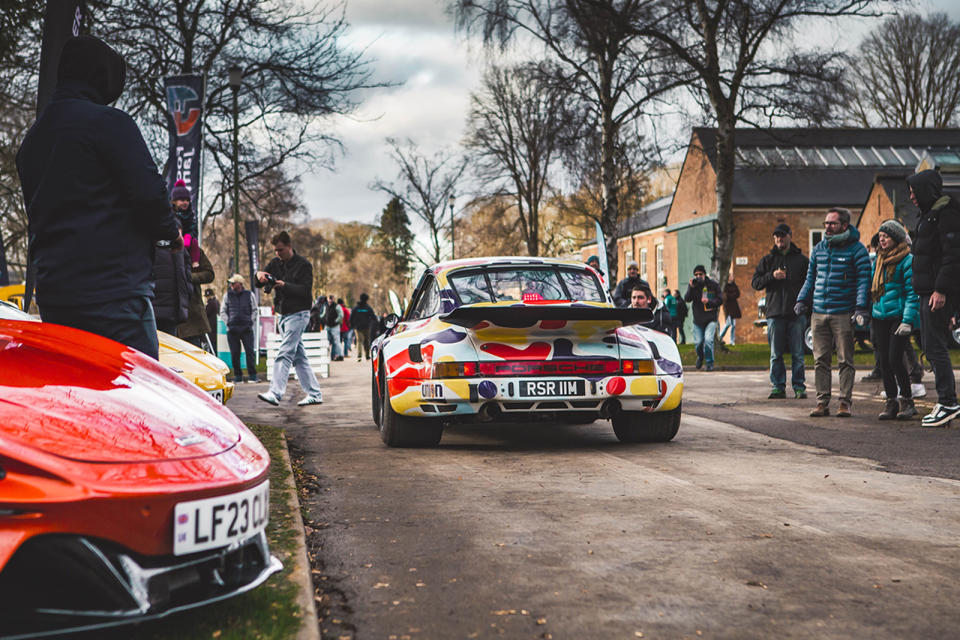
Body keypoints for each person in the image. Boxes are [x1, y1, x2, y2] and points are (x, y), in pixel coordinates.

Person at [16, 35, 181, 359]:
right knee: (134, 393)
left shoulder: (32, 142)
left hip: (56, 293)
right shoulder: (110, 124)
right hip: (114, 292)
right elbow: (149, 194)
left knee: (77, 394)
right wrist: (171, 231)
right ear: (103, 78)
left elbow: (36, 216)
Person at [795, 207, 871, 417]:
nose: (827, 227)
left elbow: (864, 281)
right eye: (826, 223)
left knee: (845, 360)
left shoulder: (857, 250)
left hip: (843, 313)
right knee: (820, 360)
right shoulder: (819, 248)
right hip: (818, 312)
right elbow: (811, 278)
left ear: (844, 226)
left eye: (832, 223)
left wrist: (861, 308)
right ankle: (822, 402)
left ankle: (845, 402)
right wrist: (802, 299)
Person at [908, 169, 960, 427]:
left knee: (935, 346)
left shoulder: (945, 213)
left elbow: (952, 256)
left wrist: (941, 290)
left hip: (936, 293)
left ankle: (948, 401)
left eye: (914, 191)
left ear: (926, 190)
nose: (911, 196)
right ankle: (946, 401)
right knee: (930, 345)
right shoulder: (930, 215)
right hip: (926, 292)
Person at [255, 231, 323, 406]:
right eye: (276, 250)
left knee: (284, 353)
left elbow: (305, 290)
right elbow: (258, 282)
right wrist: (259, 276)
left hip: (299, 313)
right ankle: (314, 393)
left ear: (289, 246)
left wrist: (285, 286)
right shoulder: (275, 263)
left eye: (281, 250)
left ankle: (275, 392)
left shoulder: (304, 265)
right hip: (283, 315)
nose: (278, 253)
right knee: (299, 358)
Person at [751, 223, 809, 399]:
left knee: (798, 353)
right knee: (775, 354)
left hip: (796, 313)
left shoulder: (801, 260)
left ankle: (799, 387)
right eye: (776, 236)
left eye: (782, 236)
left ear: (790, 236)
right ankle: (778, 386)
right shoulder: (768, 260)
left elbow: (810, 283)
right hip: (775, 313)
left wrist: (807, 306)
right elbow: (755, 283)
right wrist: (771, 276)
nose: (779, 239)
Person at [870, 220, 919, 420]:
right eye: (880, 236)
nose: (882, 240)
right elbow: (872, 290)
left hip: (898, 316)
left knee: (894, 358)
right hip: (879, 316)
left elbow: (911, 293)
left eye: (886, 236)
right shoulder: (878, 260)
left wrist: (907, 320)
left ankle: (907, 401)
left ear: (896, 238)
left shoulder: (907, 260)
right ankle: (891, 402)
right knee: (883, 361)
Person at [221, 274, 259, 384]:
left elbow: (255, 310)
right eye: (231, 283)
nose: (231, 285)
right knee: (235, 353)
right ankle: (238, 376)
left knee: (250, 352)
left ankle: (253, 375)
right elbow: (223, 311)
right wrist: (228, 322)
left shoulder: (249, 295)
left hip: (247, 328)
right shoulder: (227, 295)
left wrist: (250, 322)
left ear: (240, 284)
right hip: (232, 329)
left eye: (233, 283)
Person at [152, 229, 192, 335]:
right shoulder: (177, 247)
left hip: (170, 308)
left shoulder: (179, 248)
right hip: (161, 308)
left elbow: (187, 272)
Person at [683, 265, 722, 371]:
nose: (699, 276)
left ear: (705, 275)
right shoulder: (693, 286)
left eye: (700, 274)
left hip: (711, 318)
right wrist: (690, 287)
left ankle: (709, 363)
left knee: (709, 340)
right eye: (696, 275)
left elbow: (720, 300)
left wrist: (709, 302)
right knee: (699, 342)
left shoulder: (713, 285)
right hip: (698, 319)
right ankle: (700, 357)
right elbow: (687, 299)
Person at [177, 246, 215, 348]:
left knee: (192, 353)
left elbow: (209, 274)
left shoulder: (194, 251)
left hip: (192, 316)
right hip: (168, 314)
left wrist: (189, 277)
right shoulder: (160, 247)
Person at [170, 179, 200, 268]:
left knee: (194, 242)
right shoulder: (170, 214)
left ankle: (195, 263)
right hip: (174, 244)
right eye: (182, 200)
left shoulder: (190, 215)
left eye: (187, 200)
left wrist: (188, 236)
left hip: (188, 243)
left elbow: (193, 228)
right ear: (174, 201)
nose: (185, 202)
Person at [350, 293, 377, 361]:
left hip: (357, 327)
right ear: (367, 299)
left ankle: (359, 356)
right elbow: (373, 317)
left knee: (359, 341)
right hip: (366, 327)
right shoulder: (368, 308)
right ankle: (367, 355)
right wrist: (372, 322)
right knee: (366, 341)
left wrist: (353, 325)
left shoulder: (356, 308)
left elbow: (351, 318)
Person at [719, 277, 741, 345]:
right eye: (730, 277)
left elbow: (737, 294)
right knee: (728, 324)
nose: (731, 278)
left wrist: (731, 296)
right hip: (728, 308)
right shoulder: (725, 287)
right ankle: (720, 337)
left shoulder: (735, 286)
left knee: (733, 325)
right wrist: (732, 295)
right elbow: (726, 296)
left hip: (734, 308)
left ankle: (732, 341)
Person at [323, 293, 344, 361]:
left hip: (335, 326)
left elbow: (341, 315)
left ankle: (340, 355)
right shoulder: (325, 306)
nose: (330, 300)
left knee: (336, 341)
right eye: (329, 298)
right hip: (327, 325)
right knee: (326, 341)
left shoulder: (337, 306)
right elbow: (323, 314)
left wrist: (336, 321)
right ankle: (327, 355)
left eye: (331, 298)